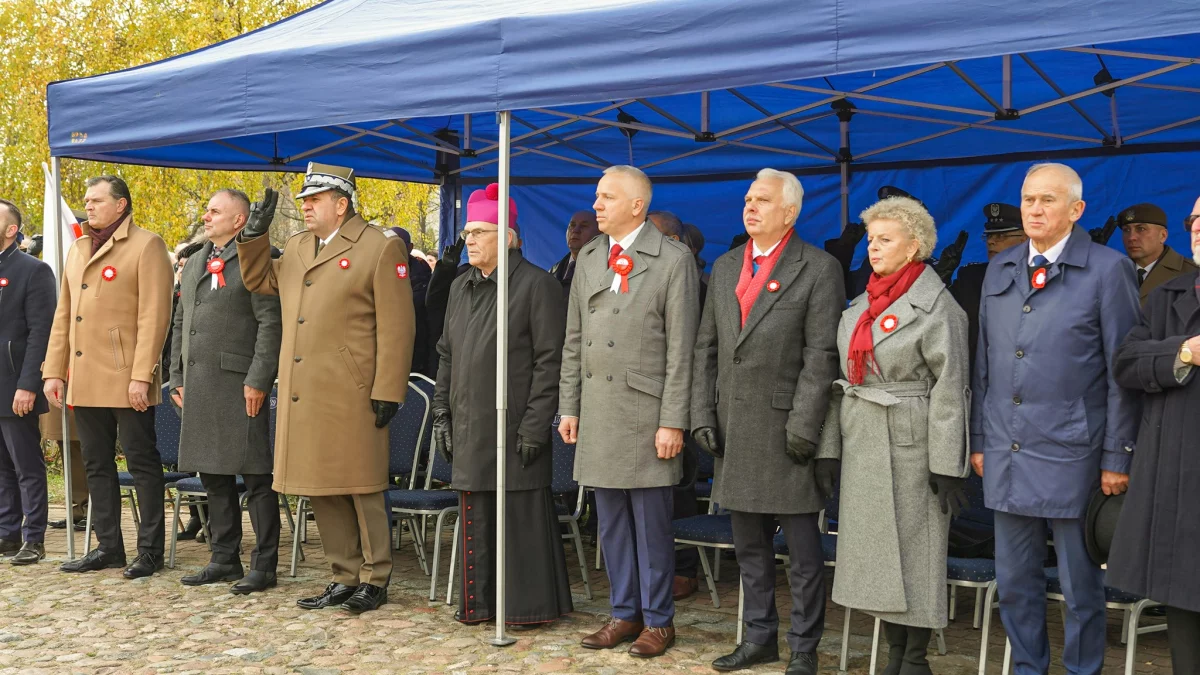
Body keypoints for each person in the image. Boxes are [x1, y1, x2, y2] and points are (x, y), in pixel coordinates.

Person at [971, 163, 1140, 675]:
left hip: (1075, 453)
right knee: (1015, 583)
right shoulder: (1000, 270)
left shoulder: (1109, 269)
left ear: (1076, 209)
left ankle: (1082, 670)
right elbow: (984, 365)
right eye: (1028, 200)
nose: (1035, 210)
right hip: (1006, 448)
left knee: (1079, 587)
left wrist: (1117, 456)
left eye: (1047, 200)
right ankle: (1028, 668)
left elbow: (1122, 372)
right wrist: (980, 438)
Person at [237, 163, 414, 613]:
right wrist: (252, 238)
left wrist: (388, 389)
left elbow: (398, 326)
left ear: (342, 203)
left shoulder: (379, 247)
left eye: (315, 200)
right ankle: (343, 575)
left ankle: (375, 578)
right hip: (306, 388)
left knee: (362, 484)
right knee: (321, 485)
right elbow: (259, 280)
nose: (306, 207)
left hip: (354, 388)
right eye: (304, 201)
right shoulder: (296, 247)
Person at [691, 170, 845, 675]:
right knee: (749, 549)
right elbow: (707, 347)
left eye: (763, 200)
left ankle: (804, 648)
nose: (750, 207)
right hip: (734, 427)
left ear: (790, 212)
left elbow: (820, 355)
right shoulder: (727, 263)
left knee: (802, 554)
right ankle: (759, 638)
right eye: (748, 199)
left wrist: (804, 424)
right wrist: (701, 414)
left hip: (786, 431)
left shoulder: (819, 268)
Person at [818, 195, 970, 675]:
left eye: (886, 239)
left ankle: (915, 659)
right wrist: (828, 449)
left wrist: (948, 465)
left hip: (913, 444)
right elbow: (840, 381)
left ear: (915, 247)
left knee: (915, 553)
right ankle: (893, 655)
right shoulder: (863, 302)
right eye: (871, 238)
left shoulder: (937, 306)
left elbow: (951, 389)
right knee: (879, 556)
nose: (873, 248)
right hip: (864, 440)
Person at [559, 165, 699, 658]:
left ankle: (659, 621)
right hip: (598, 408)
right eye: (596, 196)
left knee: (651, 526)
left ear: (637, 205)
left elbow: (684, 350)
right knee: (611, 522)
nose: (595, 205)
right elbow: (574, 341)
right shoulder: (590, 256)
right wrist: (568, 406)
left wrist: (673, 420)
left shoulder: (672, 260)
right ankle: (623, 613)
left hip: (646, 412)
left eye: (606, 197)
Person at [432, 183, 573, 629]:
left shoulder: (538, 285)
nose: (469, 238)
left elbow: (551, 363)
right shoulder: (460, 287)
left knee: (518, 519)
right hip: (470, 421)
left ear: (507, 235)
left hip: (515, 425)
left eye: (479, 230)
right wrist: (440, 410)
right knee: (476, 511)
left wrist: (535, 426)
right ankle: (480, 604)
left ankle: (525, 608)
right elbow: (447, 354)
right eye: (467, 231)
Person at [44, 175, 174, 578]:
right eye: (86, 201)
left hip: (126, 377)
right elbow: (64, 313)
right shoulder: (79, 248)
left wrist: (142, 375)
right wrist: (53, 370)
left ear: (121, 205)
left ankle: (149, 551)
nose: (89, 206)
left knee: (142, 463)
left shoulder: (147, 245)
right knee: (97, 464)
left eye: (97, 200)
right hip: (84, 376)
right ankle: (108, 547)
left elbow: (155, 316)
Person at [169, 189, 283, 594]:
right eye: (206, 210)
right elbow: (182, 320)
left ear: (239, 220)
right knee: (213, 476)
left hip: (240, 385)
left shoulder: (256, 259)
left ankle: (264, 565)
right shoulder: (198, 257)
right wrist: (175, 375)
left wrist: (258, 378)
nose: (206, 216)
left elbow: (271, 324)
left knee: (256, 478)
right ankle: (223, 558)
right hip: (199, 384)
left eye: (215, 211)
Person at [1107, 196, 1200, 673]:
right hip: (1182, 483)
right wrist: (1183, 352)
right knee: (1185, 605)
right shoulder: (1170, 295)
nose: (1199, 227)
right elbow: (1125, 361)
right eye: (1196, 219)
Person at [0, 199, 56, 565]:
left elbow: (41, 333)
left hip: (15, 383)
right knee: (1, 468)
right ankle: (7, 533)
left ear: (10, 229)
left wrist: (28, 384)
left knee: (26, 466)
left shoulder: (33, 270)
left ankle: (34, 536)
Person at [948, 203, 1026, 374]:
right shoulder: (970, 277)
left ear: (1025, 239)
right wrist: (942, 277)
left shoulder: (1042, 278)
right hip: (980, 379)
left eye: (1001, 236)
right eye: (989, 236)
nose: (991, 241)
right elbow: (943, 315)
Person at [1117, 202, 1197, 304]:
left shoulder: (1193, 273)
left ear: (1163, 236)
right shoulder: (1112, 273)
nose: (1131, 237)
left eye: (1141, 229)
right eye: (1126, 230)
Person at [388, 227, 434, 377]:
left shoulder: (421, 273)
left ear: (410, 247)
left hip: (414, 349)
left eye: (397, 244)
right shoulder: (376, 267)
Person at [549, 210, 601, 296]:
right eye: (572, 225)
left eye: (584, 226)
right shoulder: (553, 271)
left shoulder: (607, 268)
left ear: (600, 233)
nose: (575, 230)